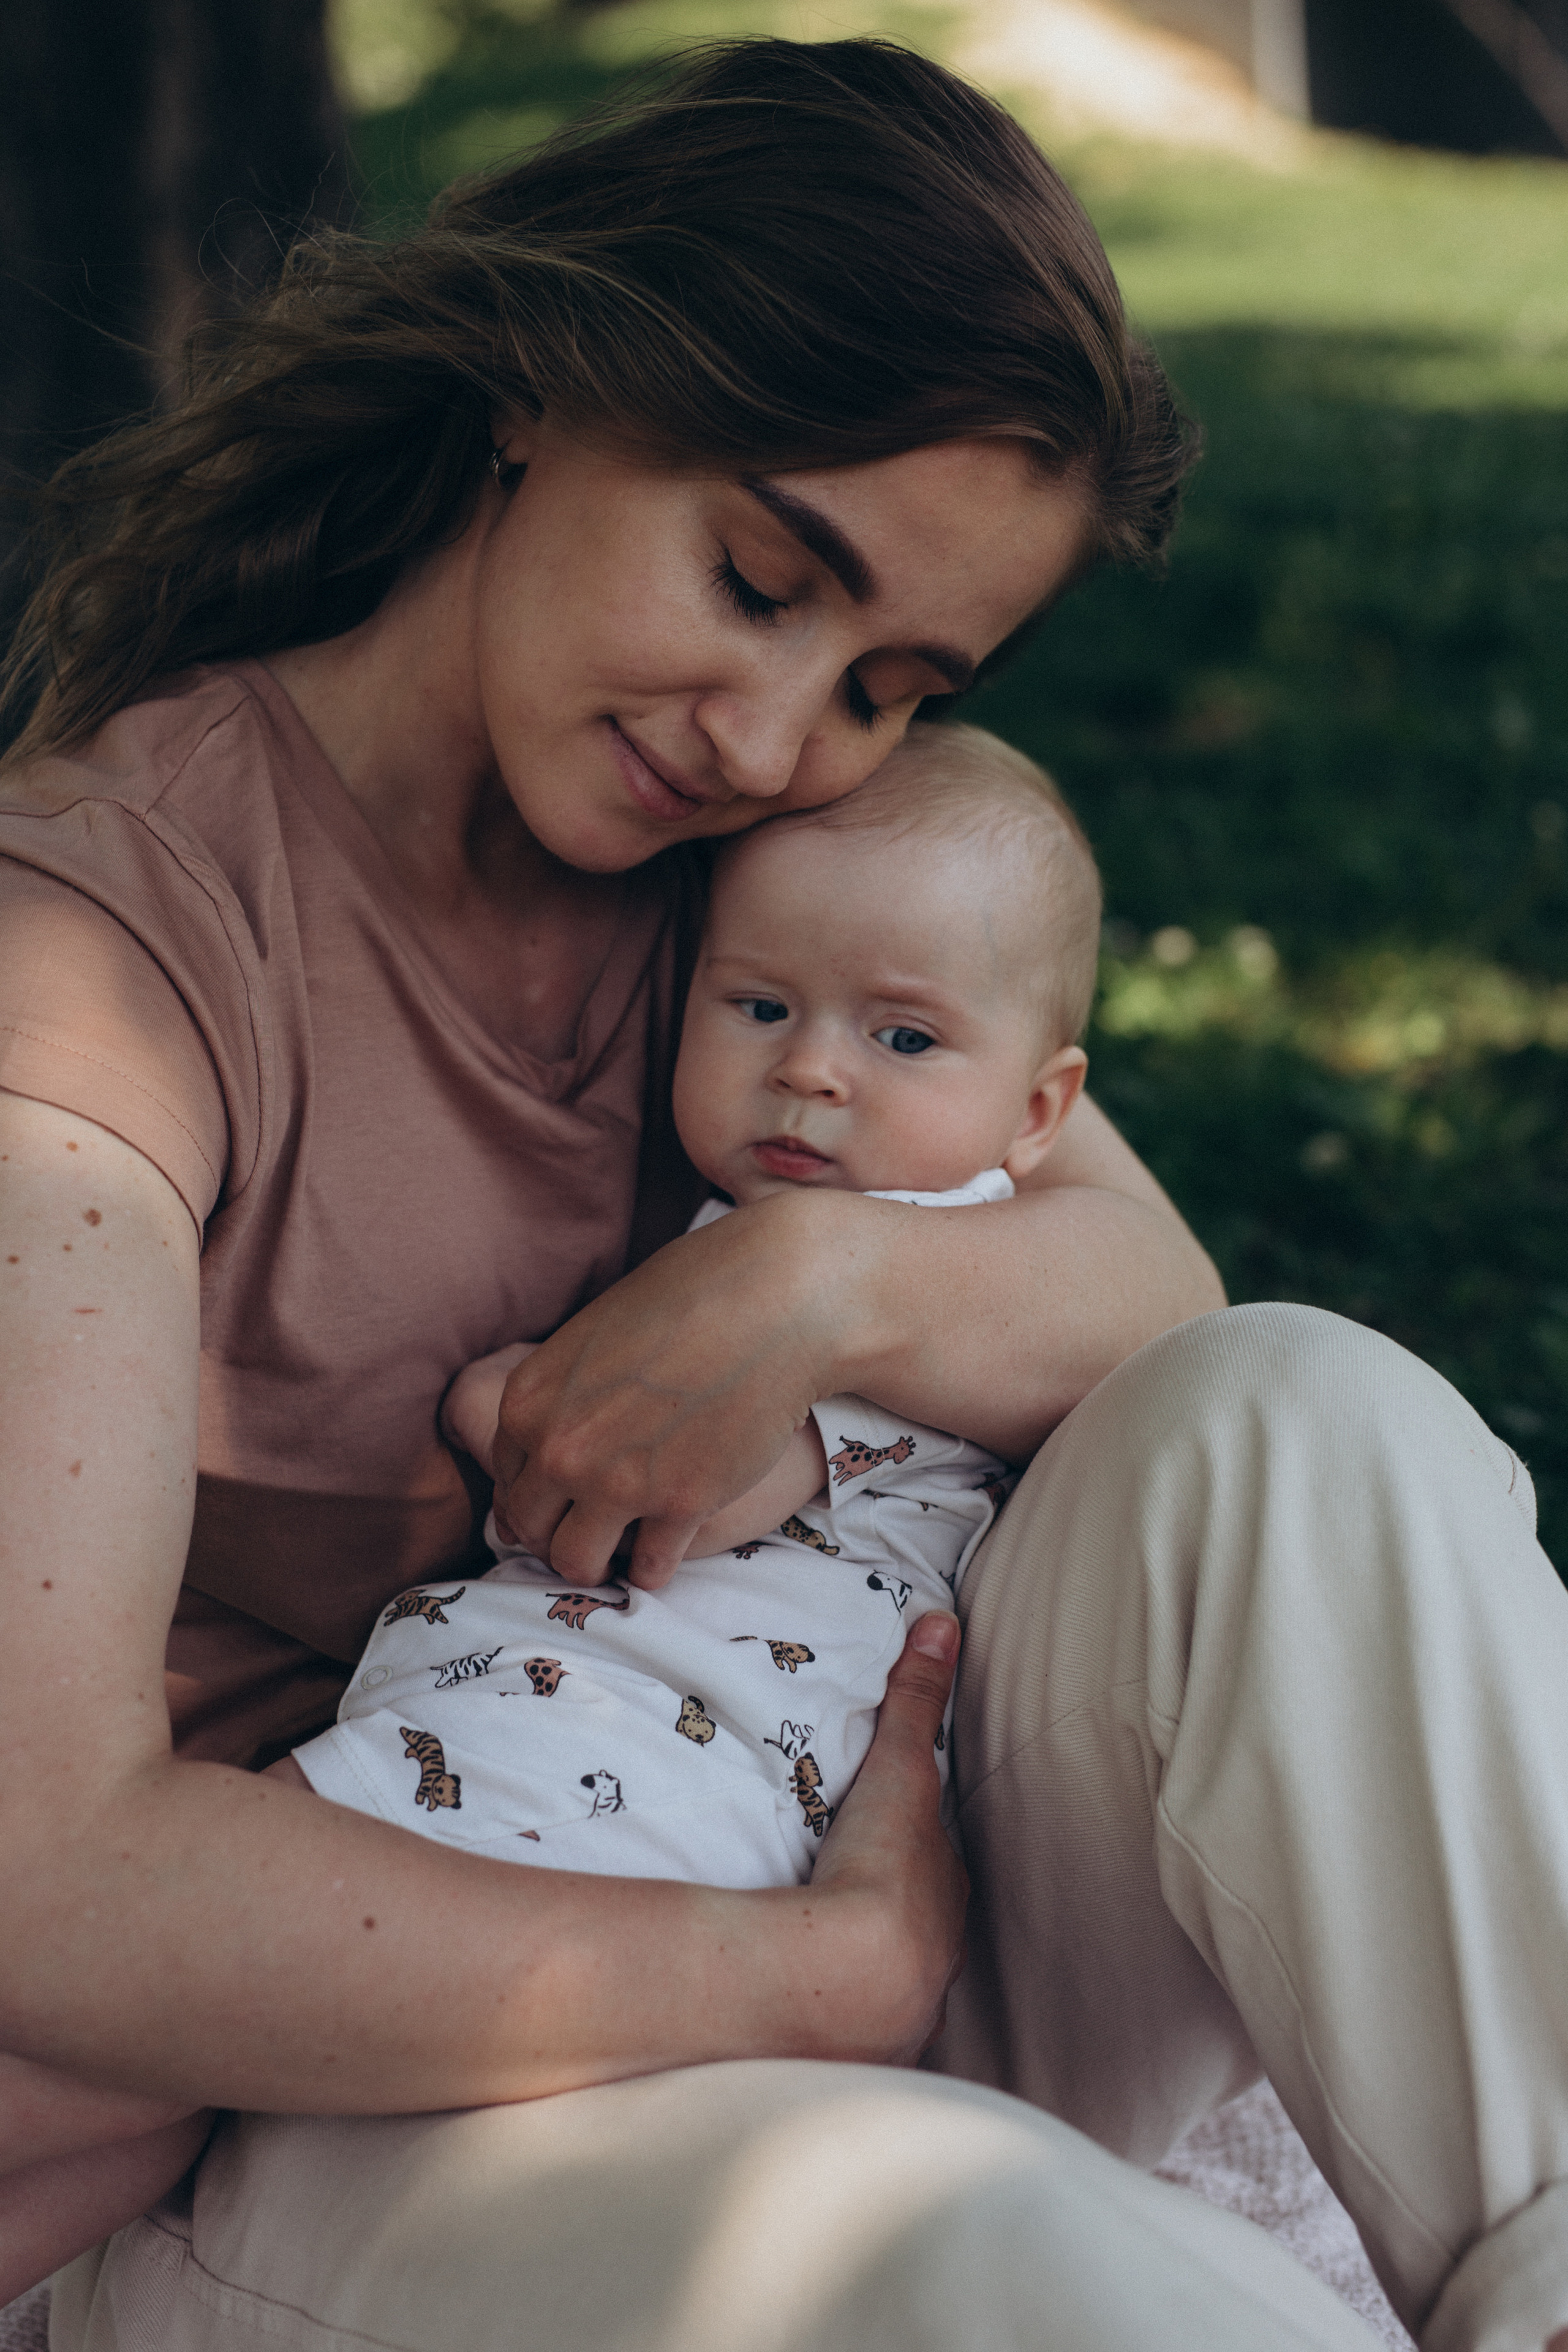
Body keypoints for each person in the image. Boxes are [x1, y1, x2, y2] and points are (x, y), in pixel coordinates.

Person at [1, 37, 1565, 2352]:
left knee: (1300, 1418)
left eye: (892, 682)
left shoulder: (742, 862)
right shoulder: (100, 963)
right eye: (757, 579)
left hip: (813, 1828)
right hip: (305, 2107)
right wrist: (805, 1979)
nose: (774, 732)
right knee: (1001, 2265)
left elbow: (1152, 1293)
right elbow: (50, 1883)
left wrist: (813, 1283)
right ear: (545, 378)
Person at [0, 719, 1098, 2291]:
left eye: (901, 1040)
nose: (811, 1067)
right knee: (141, 2118)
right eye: (760, 1007)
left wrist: (510, 1393)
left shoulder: (928, 1280)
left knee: (92, 2054)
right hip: (585, 1793)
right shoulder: (860, 1196)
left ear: (1040, 1112)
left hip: (561, 1782)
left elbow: (645, 1474)